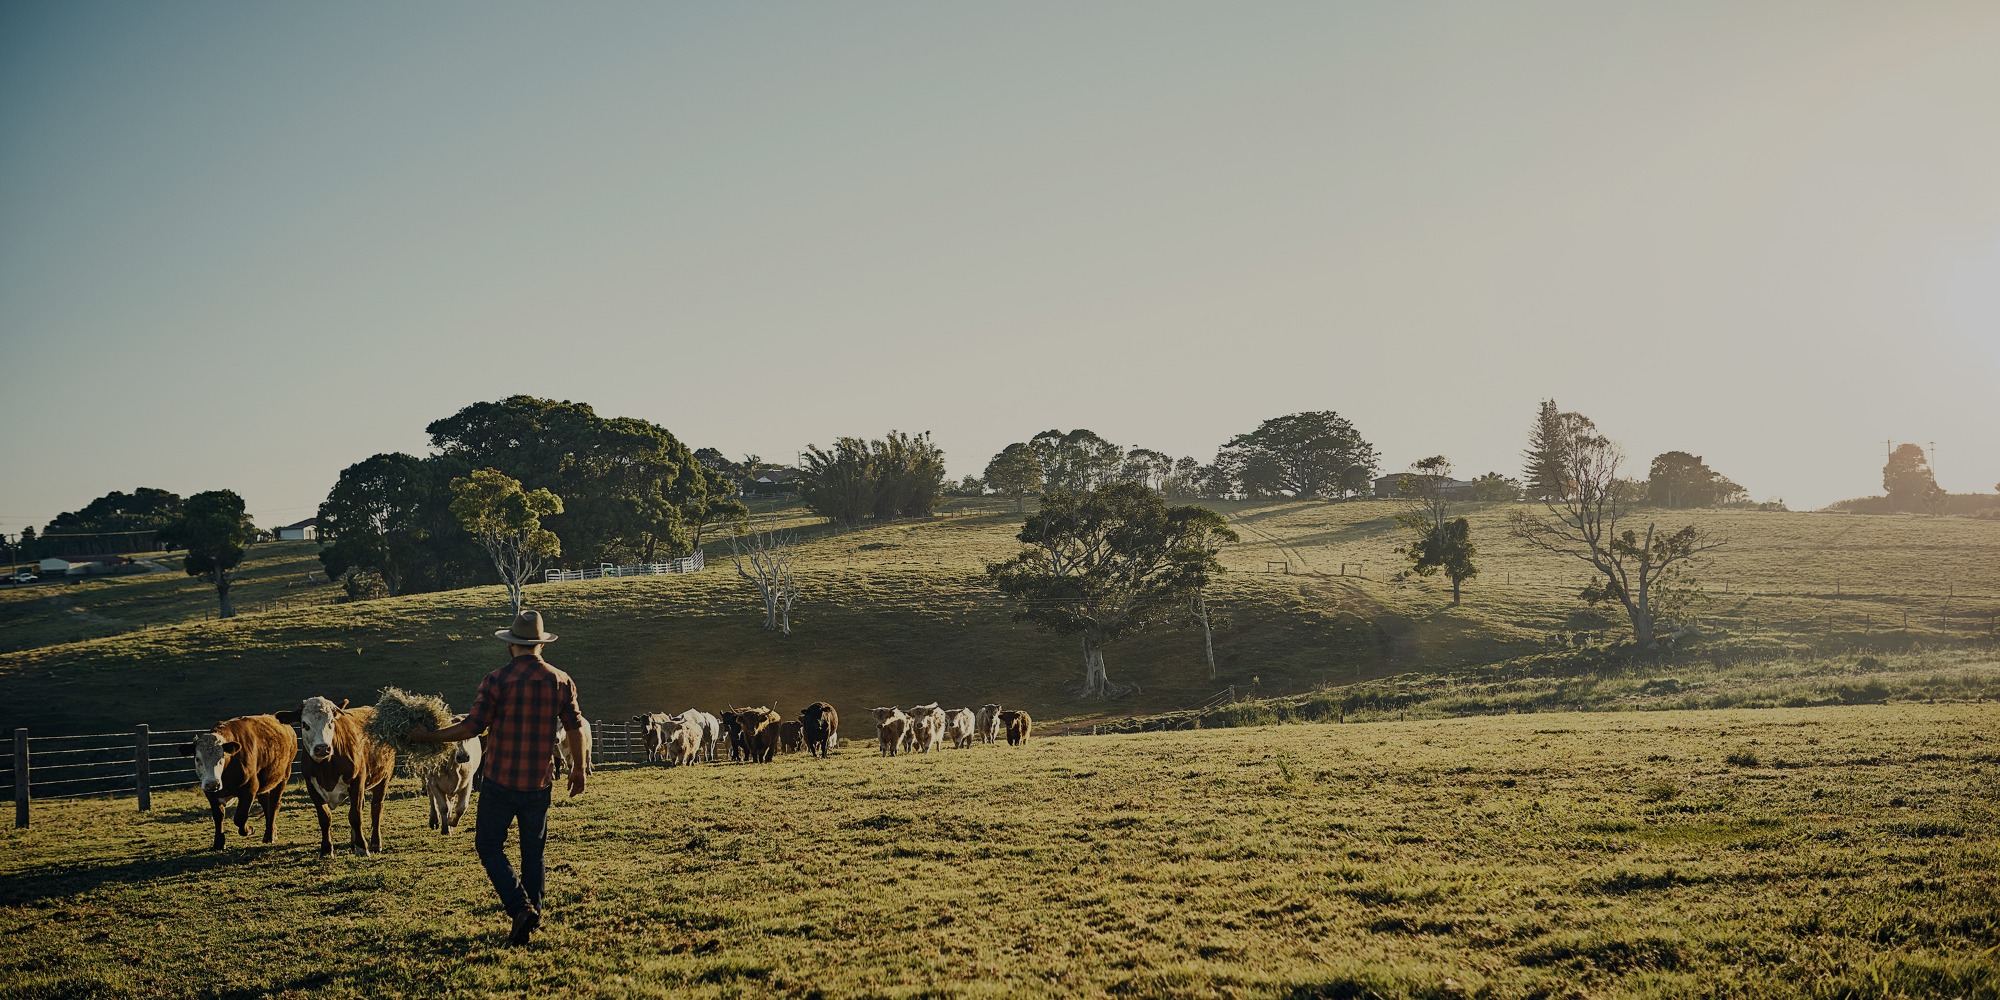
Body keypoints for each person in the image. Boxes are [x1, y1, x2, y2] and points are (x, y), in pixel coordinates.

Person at [409, 609, 587, 946]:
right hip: (538, 782)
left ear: (511, 645)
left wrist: (428, 737)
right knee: (533, 852)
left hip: (500, 781)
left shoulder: (496, 680)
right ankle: (531, 916)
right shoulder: (561, 680)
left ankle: (520, 908)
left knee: (488, 845)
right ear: (541, 645)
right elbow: (576, 726)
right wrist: (578, 768)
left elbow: (472, 727)